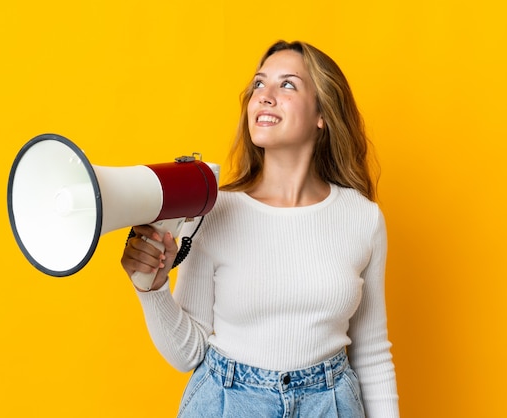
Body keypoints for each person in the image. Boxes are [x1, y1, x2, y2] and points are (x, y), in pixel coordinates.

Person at [121, 40, 399, 417]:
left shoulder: (362, 218)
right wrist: (151, 288)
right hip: (226, 403)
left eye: (287, 85)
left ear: (323, 113)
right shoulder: (213, 210)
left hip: (330, 404)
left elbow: (371, 353)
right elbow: (188, 354)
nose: (264, 96)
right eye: (258, 84)